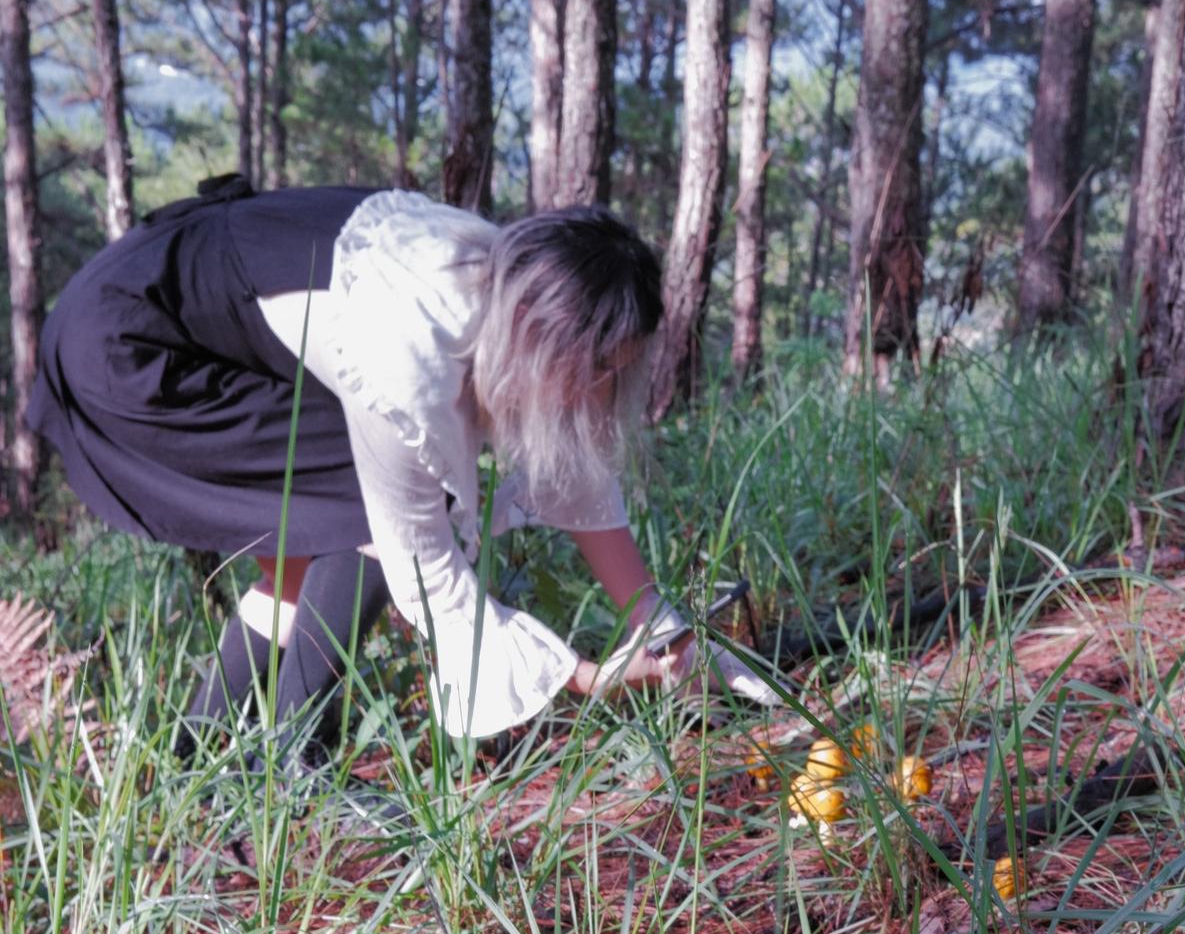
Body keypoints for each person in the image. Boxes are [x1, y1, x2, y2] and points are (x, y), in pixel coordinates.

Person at [28, 175, 773, 757]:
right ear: (552, 345)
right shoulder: (412, 347)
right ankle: (294, 762)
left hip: (164, 307)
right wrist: (589, 680)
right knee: (360, 506)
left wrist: (665, 632)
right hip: (132, 342)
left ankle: (196, 750)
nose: (605, 392)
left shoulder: (508, 284)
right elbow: (423, 568)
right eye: (602, 370)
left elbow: (572, 465)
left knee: (313, 536)